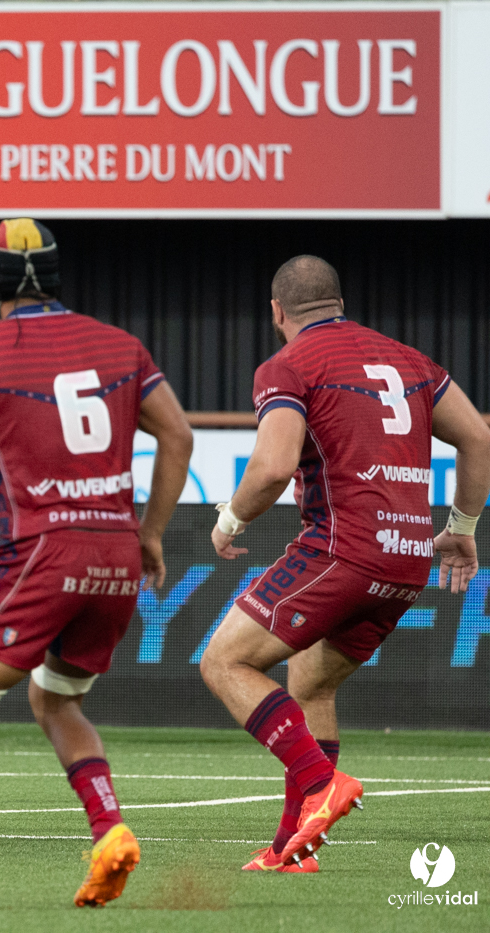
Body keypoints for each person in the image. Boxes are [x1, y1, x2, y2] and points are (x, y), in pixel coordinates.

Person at [0, 219, 193, 909]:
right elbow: (179, 433)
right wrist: (152, 534)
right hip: (115, 556)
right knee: (56, 698)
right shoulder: (121, 345)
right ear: (55, 277)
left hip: (42, 551)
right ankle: (109, 828)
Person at [200, 255, 489, 871]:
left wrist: (228, 521)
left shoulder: (289, 364)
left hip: (342, 551)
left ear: (278, 311)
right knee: (310, 682)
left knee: (225, 661)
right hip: (409, 561)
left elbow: (273, 468)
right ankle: (292, 848)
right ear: (337, 301)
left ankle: (319, 785)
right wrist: (461, 528)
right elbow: (479, 437)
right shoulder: (410, 360)